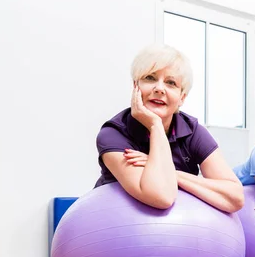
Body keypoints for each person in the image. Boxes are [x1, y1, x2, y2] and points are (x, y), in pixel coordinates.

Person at [94, 44, 244, 213]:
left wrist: (172, 172)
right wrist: (155, 124)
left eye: (171, 82)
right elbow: (161, 196)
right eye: (150, 78)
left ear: (182, 97)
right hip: (114, 227)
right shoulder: (113, 133)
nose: (159, 88)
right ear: (135, 86)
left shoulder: (193, 132)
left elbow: (235, 197)